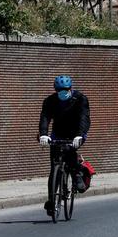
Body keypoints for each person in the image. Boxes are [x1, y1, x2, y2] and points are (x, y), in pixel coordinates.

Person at [38, 75, 90, 216]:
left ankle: (77, 175)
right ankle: (51, 200)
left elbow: (84, 118)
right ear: (55, 90)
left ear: (70, 88)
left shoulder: (80, 99)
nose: (62, 92)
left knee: (70, 151)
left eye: (65, 89)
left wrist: (80, 134)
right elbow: (45, 117)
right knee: (54, 165)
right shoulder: (50, 101)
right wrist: (43, 134)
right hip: (58, 134)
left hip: (75, 133)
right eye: (59, 90)